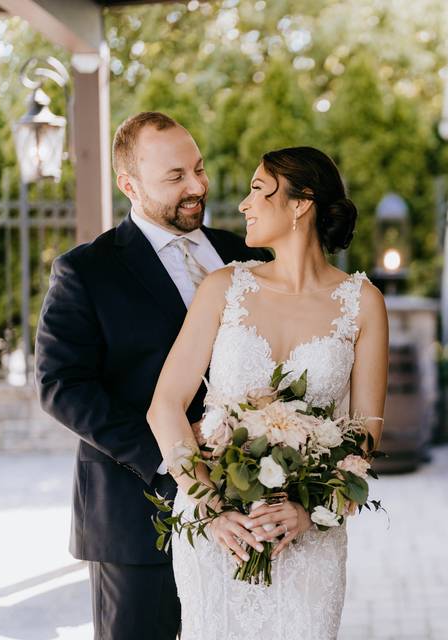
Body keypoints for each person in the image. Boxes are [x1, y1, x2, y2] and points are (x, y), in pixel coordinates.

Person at [35, 111, 270, 639]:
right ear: (129, 186)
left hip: (248, 510)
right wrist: (172, 462)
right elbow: (60, 385)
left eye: (199, 169)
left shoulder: (243, 254)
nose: (197, 187)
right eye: (175, 178)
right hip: (135, 517)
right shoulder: (85, 272)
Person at [146, 145, 389, 638]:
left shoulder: (363, 303)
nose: (243, 204)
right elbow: (165, 407)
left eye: (258, 189)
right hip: (217, 533)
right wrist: (209, 506)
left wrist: (311, 509)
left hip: (308, 537)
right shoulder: (222, 288)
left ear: (301, 203)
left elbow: (366, 433)